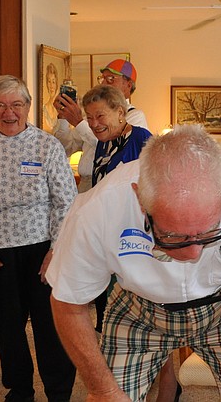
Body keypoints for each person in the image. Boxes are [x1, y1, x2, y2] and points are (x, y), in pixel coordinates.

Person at [46, 124, 221, 402]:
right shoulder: (96, 209)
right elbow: (68, 304)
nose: (194, 253)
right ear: (140, 199)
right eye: (172, 236)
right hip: (137, 312)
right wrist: (102, 389)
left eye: (209, 233)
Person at [0, 75, 77, 402]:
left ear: (28, 107)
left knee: (51, 328)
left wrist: (56, 251)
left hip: (43, 253)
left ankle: (59, 392)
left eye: (16, 104)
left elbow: (67, 201)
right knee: (8, 331)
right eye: (0, 105)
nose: (9, 112)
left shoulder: (47, 145)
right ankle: (19, 391)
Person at [81, 83, 152, 334]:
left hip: (133, 233)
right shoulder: (104, 143)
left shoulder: (141, 139)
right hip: (107, 231)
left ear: (120, 113)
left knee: (135, 306)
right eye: (89, 118)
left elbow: (153, 187)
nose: (94, 123)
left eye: (100, 116)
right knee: (106, 304)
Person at [53, 59, 149, 192]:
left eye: (111, 78)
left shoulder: (135, 118)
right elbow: (64, 148)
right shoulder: (90, 120)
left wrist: (78, 122)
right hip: (88, 184)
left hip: (116, 189)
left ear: (128, 84)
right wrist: (63, 117)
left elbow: (114, 145)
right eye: (102, 78)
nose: (104, 83)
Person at [42, 62, 60, 132]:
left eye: (53, 82)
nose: (51, 86)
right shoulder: (44, 108)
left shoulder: (62, 108)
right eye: (49, 81)